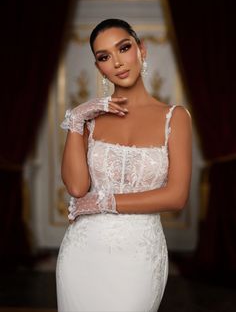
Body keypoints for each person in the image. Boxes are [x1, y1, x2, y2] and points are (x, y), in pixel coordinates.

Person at [56, 18, 192, 312]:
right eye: (104, 57)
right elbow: (77, 187)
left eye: (124, 48)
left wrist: (104, 202)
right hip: (83, 251)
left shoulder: (175, 117)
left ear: (141, 50)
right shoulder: (89, 120)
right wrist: (76, 119)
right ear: (98, 68)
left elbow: (177, 196)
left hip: (139, 255)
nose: (117, 62)